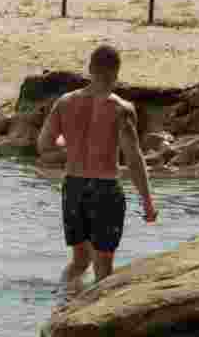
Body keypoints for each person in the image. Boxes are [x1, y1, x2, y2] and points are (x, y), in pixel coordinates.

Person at [36, 44, 157, 304]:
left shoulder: (65, 103)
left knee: (79, 262)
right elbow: (134, 159)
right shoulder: (121, 109)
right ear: (116, 73)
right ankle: (90, 320)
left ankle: (60, 306)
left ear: (89, 69)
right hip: (104, 190)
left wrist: (71, 148)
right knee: (103, 269)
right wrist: (147, 201)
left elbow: (43, 146)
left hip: (73, 187)